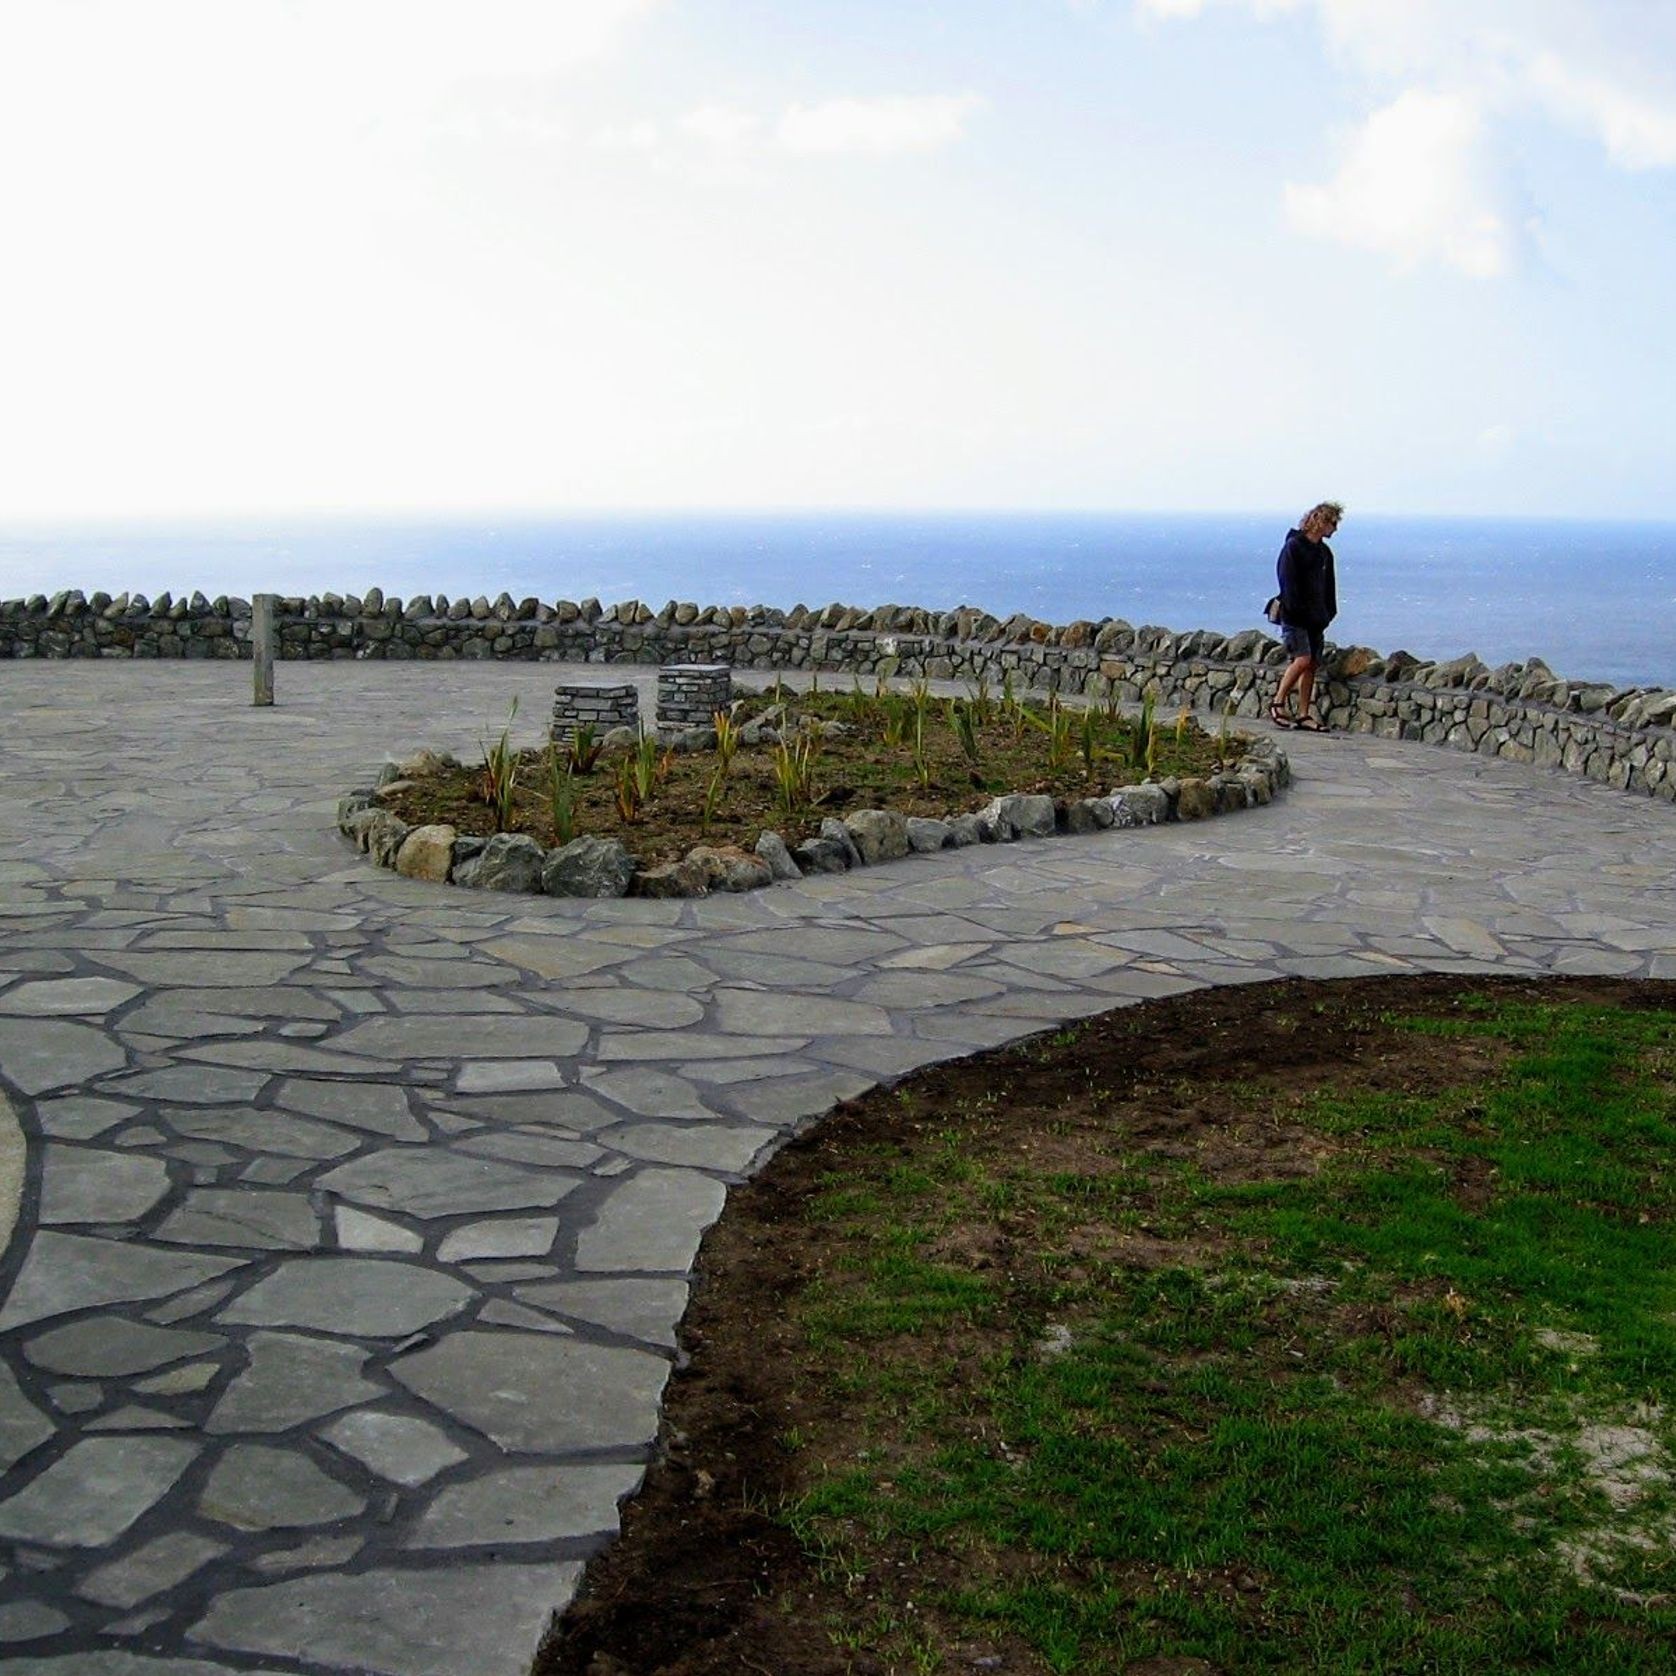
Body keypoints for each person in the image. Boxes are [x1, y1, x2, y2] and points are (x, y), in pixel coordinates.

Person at [1269, 501, 1342, 732]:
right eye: (1332, 523)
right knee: (1302, 659)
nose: (1335, 529)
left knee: (1311, 664)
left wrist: (1328, 612)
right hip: (1296, 616)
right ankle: (1277, 702)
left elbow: (1329, 585)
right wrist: (1297, 610)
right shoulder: (1294, 547)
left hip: (1317, 617)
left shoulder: (1324, 552)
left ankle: (1303, 713)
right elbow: (1286, 581)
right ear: (1320, 521)